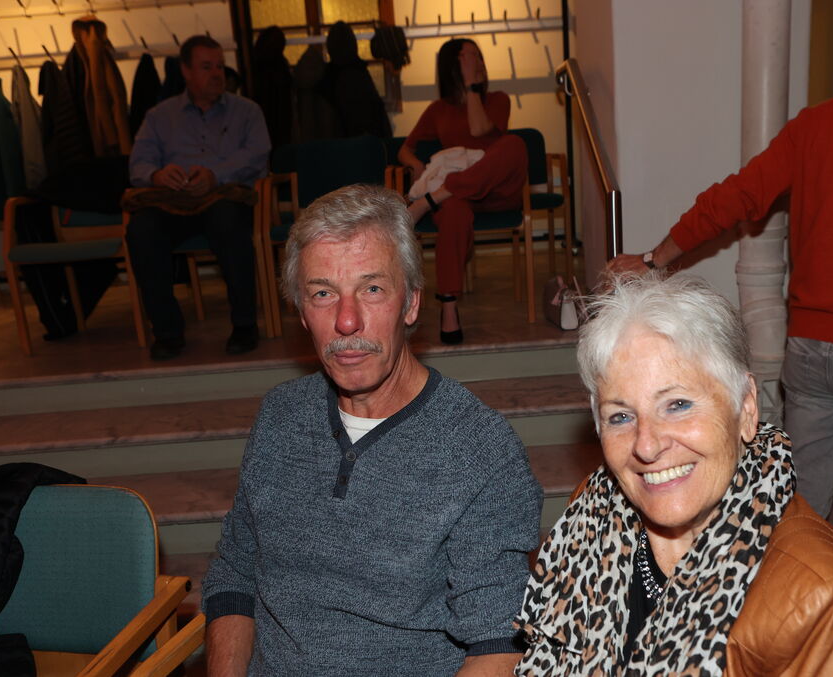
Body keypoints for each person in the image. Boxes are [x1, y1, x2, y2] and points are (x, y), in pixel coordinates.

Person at [610, 0, 833, 639]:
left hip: (813, 356)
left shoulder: (821, 122)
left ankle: (767, 636)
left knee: (795, 508)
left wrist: (656, 258)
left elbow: (736, 196)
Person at [201, 184, 542, 676]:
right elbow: (235, 575)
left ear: (411, 304)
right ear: (302, 313)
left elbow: (498, 643)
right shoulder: (281, 416)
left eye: (372, 289)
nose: (346, 321)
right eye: (323, 293)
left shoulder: (479, 450)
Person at [514, 273, 833, 675]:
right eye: (621, 416)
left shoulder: (824, 599)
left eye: (678, 405)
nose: (646, 446)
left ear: (746, 407)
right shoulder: (592, 516)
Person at [126, 35, 270, 360]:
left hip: (224, 197)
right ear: (186, 71)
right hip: (173, 201)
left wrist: (214, 175)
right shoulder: (159, 116)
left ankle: (244, 324)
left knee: (228, 220)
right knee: (141, 229)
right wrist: (157, 175)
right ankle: (167, 332)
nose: (217, 73)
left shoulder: (247, 111)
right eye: (207, 67)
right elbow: (138, 164)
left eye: (219, 66)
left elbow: (258, 155)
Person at [399, 38, 528, 345]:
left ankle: (431, 199)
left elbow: (479, 129)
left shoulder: (497, 99)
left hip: (496, 192)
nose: (478, 62)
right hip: (458, 198)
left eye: (478, 56)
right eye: (469, 57)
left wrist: (472, 87)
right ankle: (449, 306)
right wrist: (416, 165)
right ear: (452, 65)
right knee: (454, 211)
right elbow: (405, 148)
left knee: (514, 145)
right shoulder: (438, 110)